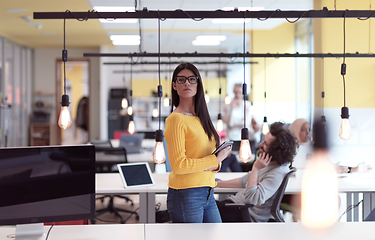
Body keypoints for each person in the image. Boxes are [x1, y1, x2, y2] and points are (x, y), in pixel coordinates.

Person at [164, 62, 232, 223]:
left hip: (208, 191)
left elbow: (210, 158)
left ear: (198, 84)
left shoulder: (203, 119)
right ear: (174, 85)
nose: (187, 83)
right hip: (185, 194)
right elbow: (179, 165)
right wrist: (215, 160)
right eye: (181, 80)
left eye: (191, 79)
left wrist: (216, 162)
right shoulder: (175, 119)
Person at [215, 122, 298, 222]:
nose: (260, 144)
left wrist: (256, 168)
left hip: (243, 212)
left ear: (276, 151)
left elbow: (252, 199)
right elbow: (243, 181)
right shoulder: (269, 164)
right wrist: (216, 184)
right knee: (202, 203)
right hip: (235, 205)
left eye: (266, 144)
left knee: (200, 206)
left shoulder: (277, 173)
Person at [289, 118, 372, 173]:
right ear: (295, 130)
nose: (308, 133)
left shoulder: (315, 147)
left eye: (309, 130)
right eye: (303, 130)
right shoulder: (288, 150)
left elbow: (329, 166)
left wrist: (354, 169)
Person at [223, 83, 260, 148]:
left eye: (240, 92)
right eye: (236, 92)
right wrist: (232, 109)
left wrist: (234, 124)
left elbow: (246, 123)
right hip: (231, 138)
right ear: (233, 92)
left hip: (245, 138)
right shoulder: (228, 106)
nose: (237, 95)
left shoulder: (248, 106)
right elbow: (229, 123)